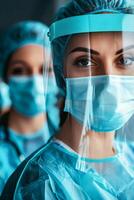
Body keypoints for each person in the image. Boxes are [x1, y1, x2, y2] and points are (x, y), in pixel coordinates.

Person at [1, 0, 134, 199]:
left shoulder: (130, 155)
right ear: (60, 74)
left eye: (125, 60)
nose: (108, 80)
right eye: (85, 61)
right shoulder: (40, 184)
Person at [0, 21, 59, 194]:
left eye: (45, 70)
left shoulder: (70, 141)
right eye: (20, 70)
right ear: (5, 78)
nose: (35, 82)